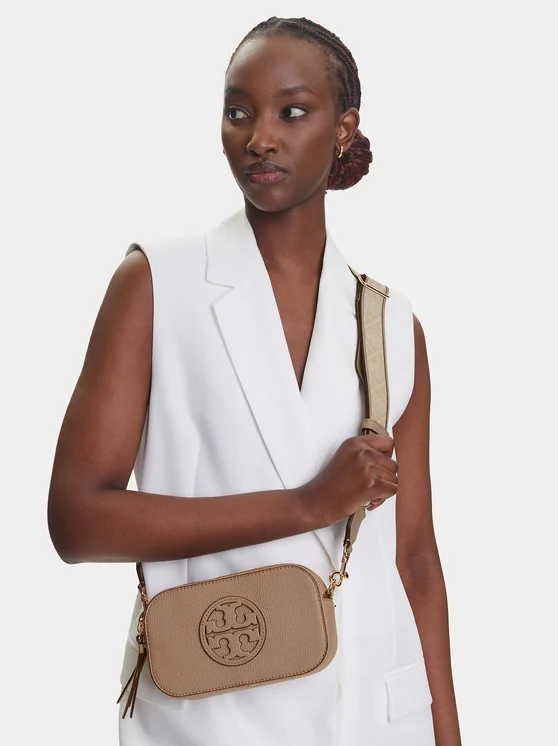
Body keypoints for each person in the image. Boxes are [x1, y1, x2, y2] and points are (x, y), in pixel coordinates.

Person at [47, 15, 462, 746]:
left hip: (376, 714)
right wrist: (306, 504)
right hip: (216, 709)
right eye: (238, 113)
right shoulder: (157, 284)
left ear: (343, 128)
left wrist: (448, 733)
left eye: (291, 112)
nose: (259, 137)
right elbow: (77, 520)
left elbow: (415, 559)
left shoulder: (392, 325)